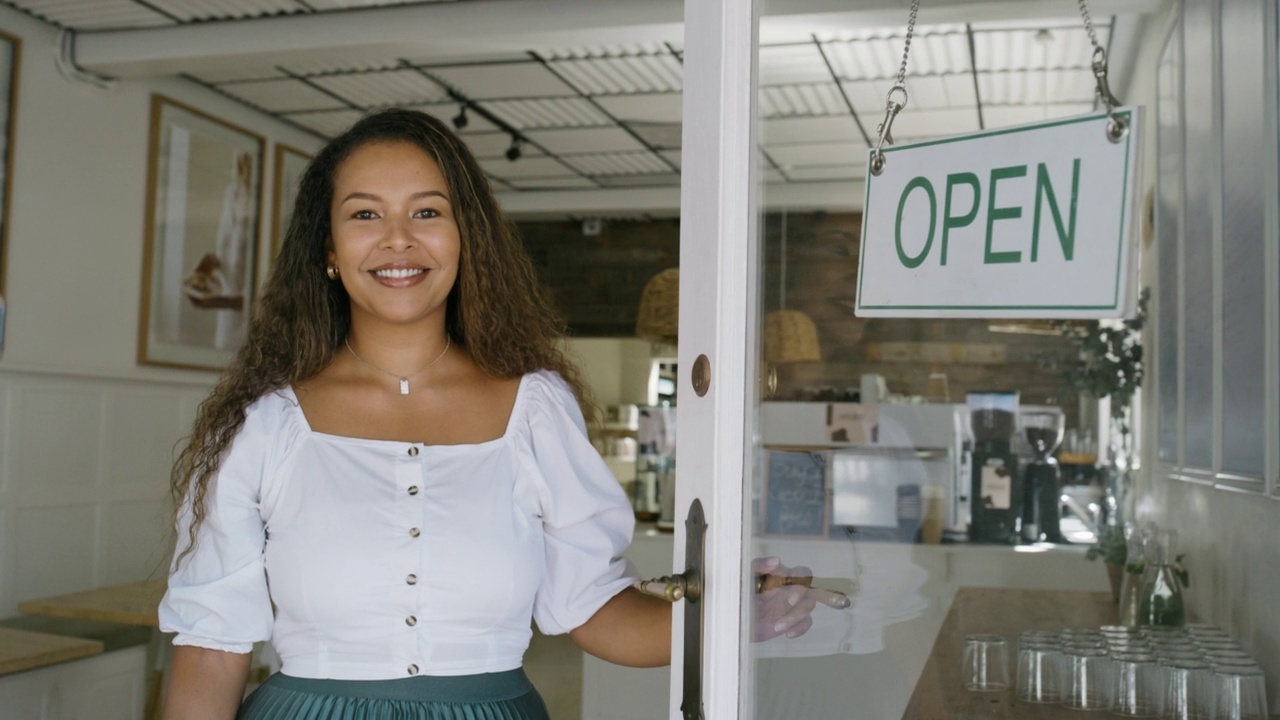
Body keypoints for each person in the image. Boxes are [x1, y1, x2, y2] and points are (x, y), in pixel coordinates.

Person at [158, 107, 818, 720]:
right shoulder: (265, 424)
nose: (397, 240)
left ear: (465, 237)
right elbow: (212, 645)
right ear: (328, 249)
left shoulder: (536, 407)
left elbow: (594, 610)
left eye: (427, 213)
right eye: (364, 215)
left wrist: (729, 618)